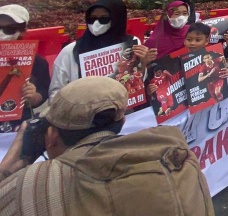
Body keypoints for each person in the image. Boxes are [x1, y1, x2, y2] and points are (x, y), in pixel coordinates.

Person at [0, 77, 214, 215]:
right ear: (120, 122)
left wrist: (10, 166)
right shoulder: (177, 159)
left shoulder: (33, 183)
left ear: (51, 135)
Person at [50, 0, 136, 98]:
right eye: (92, 18)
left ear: (117, 19)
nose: (96, 23)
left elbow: (137, 82)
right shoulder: (70, 51)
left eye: (104, 19)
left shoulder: (131, 44)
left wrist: (143, 62)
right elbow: (55, 93)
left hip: (123, 110)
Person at [0, 4, 50, 132]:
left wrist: (33, 96)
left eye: (9, 29)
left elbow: (43, 92)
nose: (1, 33)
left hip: (18, 124)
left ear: (22, 31)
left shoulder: (37, 62)